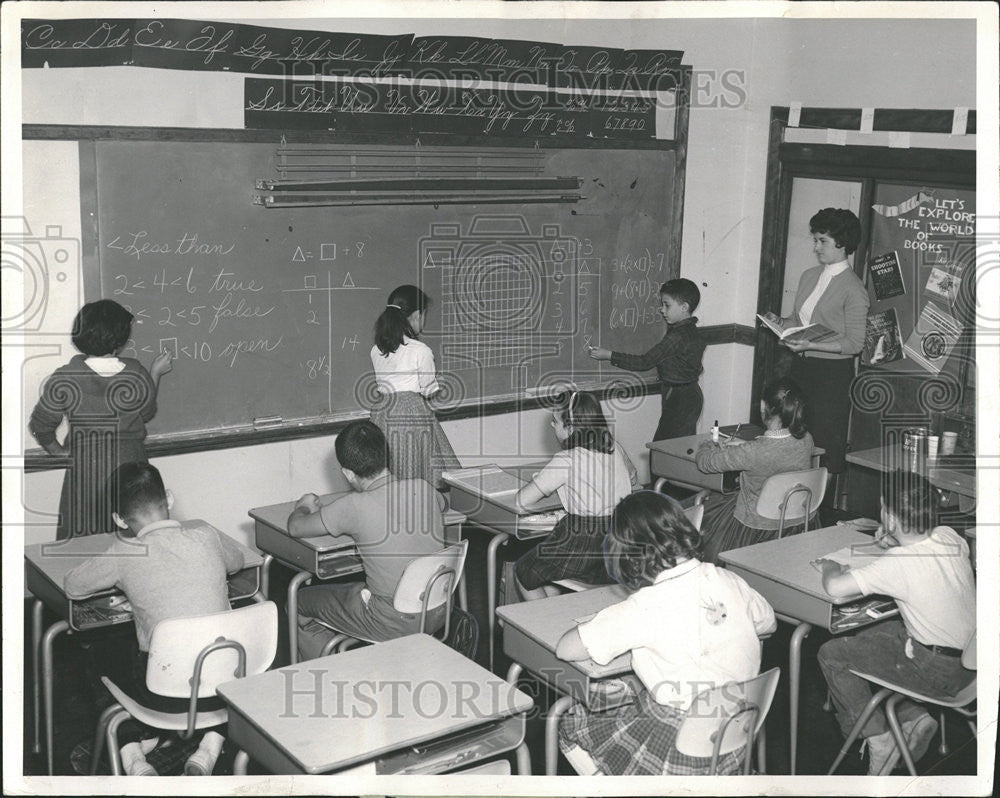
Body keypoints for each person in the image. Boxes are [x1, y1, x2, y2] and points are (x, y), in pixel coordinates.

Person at [556, 491, 776, 775]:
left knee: (569, 723)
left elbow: (566, 648)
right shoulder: (731, 580)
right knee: (641, 693)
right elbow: (768, 624)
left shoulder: (643, 606)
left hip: (678, 750)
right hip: (735, 742)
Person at [63, 462, 252, 776]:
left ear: (118, 519)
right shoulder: (206, 535)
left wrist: (131, 590)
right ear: (170, 498)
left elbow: (73, 585)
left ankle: (133, 756)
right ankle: (209, 747)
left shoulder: (124, 552)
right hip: (227, 689)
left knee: (98, 654)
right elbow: (238, 561)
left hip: (161, 697)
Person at [815, 471, 975, 776]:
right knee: (871, 633)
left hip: (935, 672)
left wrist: (830, 567)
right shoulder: (949, 536)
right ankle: (913, 716)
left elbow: (835, 589)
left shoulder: (898, 563)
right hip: (972, 664)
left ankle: (879, 738)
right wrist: (893, 539)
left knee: (832, 653)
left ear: (887, 515)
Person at [290, 419, 448, 661]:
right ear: (387, 457)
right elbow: (443, 504)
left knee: (298, 601)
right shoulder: (424, 488)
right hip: (439, 610)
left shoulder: (352, 506)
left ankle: (323, 678)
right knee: (358, 589)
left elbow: (296, 527)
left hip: (391, 622)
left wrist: (303, 506)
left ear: (347, 473)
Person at [30, 299, 173, 540]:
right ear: (120, 339)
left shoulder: (65, 377)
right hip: (131, 464)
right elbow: (146, 412)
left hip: (87, 468)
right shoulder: (135, 372)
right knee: (132, 539)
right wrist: (155, 373)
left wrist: (59, 452)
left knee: (87, 540)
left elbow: (40, 426)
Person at [762, 208, 869, 476]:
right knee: (796, 439)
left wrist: (811, 346)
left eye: (822, 241)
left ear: (842, 243)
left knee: (824, 445)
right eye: (815, 240)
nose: (816, 247)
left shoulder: (854, 289)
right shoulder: (809, 276)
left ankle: (818, 510)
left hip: (832, 376)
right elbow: (799, 319)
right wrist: (781, 321)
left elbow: (855, 344)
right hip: (802, 370)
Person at [513, 391, 639, 600]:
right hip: (620, 543)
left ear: (570, 427)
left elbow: (522, 501)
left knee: (524, 571)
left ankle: (542, 624)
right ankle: (555, 612)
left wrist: (541, 481)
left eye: (555, 421)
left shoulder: (566, 459)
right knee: (551, 576)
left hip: (583, 540)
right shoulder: (615, 448)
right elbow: (634, 481)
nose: (552, 426)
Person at [694, 378, 816, 563]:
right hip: (797, 521)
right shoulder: (807, 439)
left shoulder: (752, 452)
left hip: (756, 528)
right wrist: (749, 445)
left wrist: (709, 443)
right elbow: (777, 451)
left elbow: (705, 462)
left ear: (762, 407)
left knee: (697, 513)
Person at [588, 278, 705, 440]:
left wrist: (609, 355)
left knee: (663, 451)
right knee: (675, 449)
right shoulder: (690, 330)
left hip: (680, 399)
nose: (662, 310)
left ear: (684, 307)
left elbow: (644, 362)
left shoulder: (677, 336)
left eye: (667, 305)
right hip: (687, 395)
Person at [369, 284, 461, 491]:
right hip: (411, 413)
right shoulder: (421, 350)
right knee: (421, 473)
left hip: (382, 413)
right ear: (417, 315)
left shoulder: (377, 350)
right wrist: (437, 381)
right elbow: (428, 389)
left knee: (392, 474)